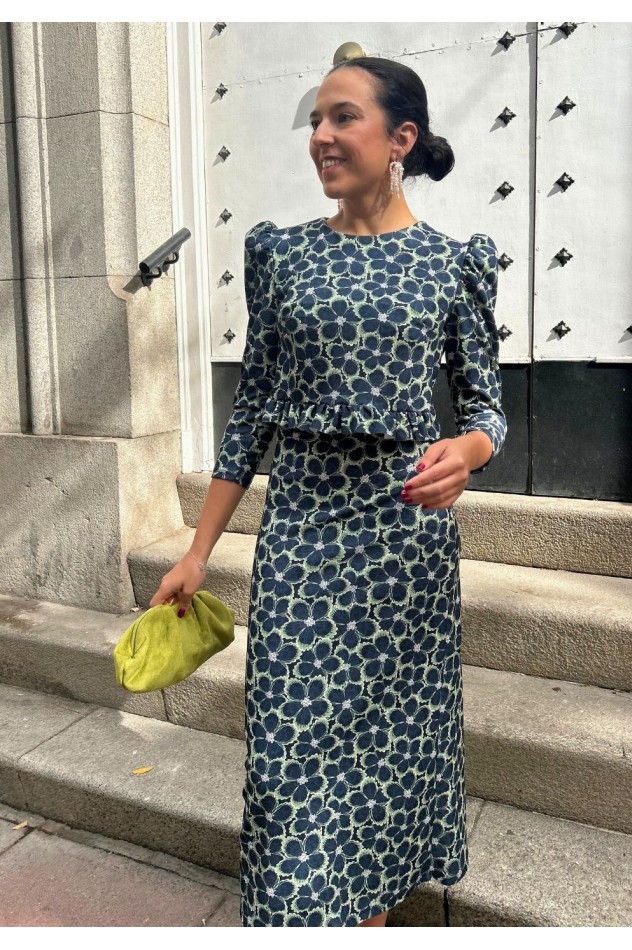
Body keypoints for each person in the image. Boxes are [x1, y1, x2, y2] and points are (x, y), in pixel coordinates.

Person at [150, 54, 506, 927]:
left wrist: (467, 451)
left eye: (342, 118)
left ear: (401, 140)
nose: (320, 137)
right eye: (316, 121)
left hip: (405, 540)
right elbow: (252, 416)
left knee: (383, 760)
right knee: (289, 758)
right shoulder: (281, 254)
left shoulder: (452, 265)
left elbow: (488, 411)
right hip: (305, 532)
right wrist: (198, 551)